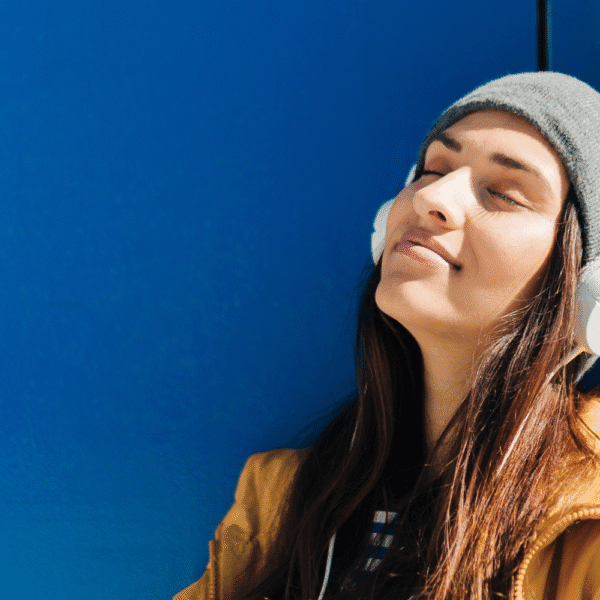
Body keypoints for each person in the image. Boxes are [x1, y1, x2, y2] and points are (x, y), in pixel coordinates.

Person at [174, 72, 600, 600]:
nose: (432, 198)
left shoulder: (590, 520)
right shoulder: (279, 499)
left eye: (504, 193)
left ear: (588, 289)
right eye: (431, 170)